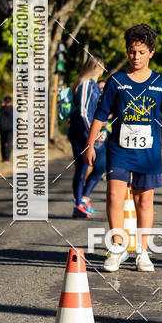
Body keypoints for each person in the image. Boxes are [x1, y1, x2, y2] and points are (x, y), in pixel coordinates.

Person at [84, 24, 162, 273]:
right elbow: (101, 113)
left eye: (141, 52)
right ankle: (118, 247)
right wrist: (90, 144)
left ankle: (142, 251)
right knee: (114, 197)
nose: (136, 57)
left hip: (148, 151)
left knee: (144, 201)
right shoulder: (116, 81)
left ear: (151, 52)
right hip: (119, 149)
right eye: (132, 51)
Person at [68, 56, 105, 218]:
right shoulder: (84, 84)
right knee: (82, 168)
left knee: (101, 165)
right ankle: (79, 204)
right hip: (81, 132)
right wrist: (93, 132)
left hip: (91, 131)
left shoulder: (95, 86)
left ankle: (84, 197)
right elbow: (84, 111)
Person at [0, 96, 14, 161]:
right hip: (10, 129)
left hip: (3, 128)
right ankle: (7, 159)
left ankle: (4, 158)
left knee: (3, 143)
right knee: (9, 143)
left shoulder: (1, 109)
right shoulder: (13, 109)